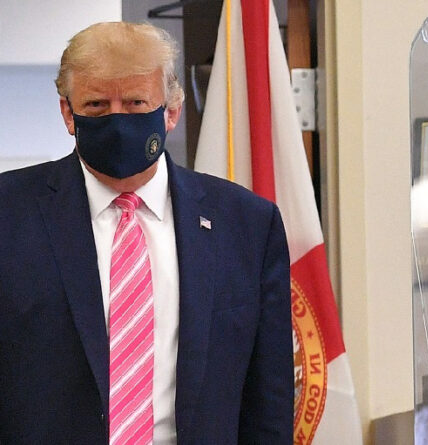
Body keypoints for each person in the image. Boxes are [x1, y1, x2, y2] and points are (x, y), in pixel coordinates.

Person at [0, 22, 293, 444]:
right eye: (97, 105)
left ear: (171, 110)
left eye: (137, 103)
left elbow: (269, 399)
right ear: (68, 112)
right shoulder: (10, 214)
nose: (118, 120)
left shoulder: (245, 224)